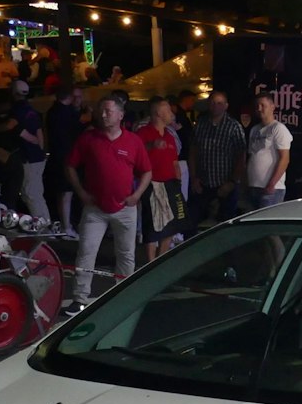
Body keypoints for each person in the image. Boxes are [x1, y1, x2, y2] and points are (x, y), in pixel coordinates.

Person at [65, 93, 151, 309]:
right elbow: (70, 166)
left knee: (126, 254)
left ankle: (123, 295)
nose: (103, 115)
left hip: (125, 207)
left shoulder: (133, 141)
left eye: (108, 111)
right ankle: (79, 298)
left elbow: (147, 171)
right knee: (86, 252)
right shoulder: (88, 138)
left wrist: (136, 195)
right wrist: (81, 192)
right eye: (101, 111)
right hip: (95, 208)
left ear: (120, 115)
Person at [136, 99, 186, 262]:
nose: (172, 114)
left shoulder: (170, 135)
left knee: (173, 222)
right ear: (158, 113)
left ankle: (161, 258)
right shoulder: (143, 133)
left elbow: (174, 163)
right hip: (152, 183)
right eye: (167, 110)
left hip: (171, 183)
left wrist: (178, 182)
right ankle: (150, 262)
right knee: (152, 223)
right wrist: (152, 145)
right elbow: (136, 155)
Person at [188, 89, 245, 227]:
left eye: (219, 103)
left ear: (226, 106)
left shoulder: (234, 126)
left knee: (225, 225)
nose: (215, 106)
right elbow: (193, 152)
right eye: (213, 103)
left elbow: (241, 156)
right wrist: (194, 177)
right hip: (202, 184)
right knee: (196, 223)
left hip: (225, 184)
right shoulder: (200, 125)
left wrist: (232, 182)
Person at [4, 79, 49, 219]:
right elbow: (39, 132)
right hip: (37, 156)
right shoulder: (32, 110)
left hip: (29, 157)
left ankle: (44, 226)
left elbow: (10, 126)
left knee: (32, 194)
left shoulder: (17, 109)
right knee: (33, 193)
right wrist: (40, 148)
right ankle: (44, 225)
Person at [44, 83, 83, 231]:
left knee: (66, 193)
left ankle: (66, 225)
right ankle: (66, 227)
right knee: (66, 193)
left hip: (59, 156)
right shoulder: (66, 113)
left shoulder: (53, 111)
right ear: (71, 97)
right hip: (66, 157)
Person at [244, 91, 292, 210]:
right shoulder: (254, 129)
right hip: (254, 186)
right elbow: (251, 156)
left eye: (263, 105)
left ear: (272, 107)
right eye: (257, 106)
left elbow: (285, 159)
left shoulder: (278, 128)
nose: (259, 109)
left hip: (271, 189)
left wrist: (272, 184)